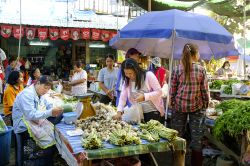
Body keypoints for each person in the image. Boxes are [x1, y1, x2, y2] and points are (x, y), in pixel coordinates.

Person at [170, 43, 209, 166]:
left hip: (179, 106)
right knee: (197, 140)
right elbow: (205, 91)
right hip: (197, 107)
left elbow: (172, 90)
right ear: (195, 54)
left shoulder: (177, 69)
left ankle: (178, 163)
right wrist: (206, 104)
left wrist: (172, 102)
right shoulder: (201, 69)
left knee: (177, 137)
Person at [12, 75, 63, 166]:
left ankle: (47, 159)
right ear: (38, 83)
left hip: (33, 120)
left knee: (58, 117)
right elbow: (31, 115)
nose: (46, 91)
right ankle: (42, 160)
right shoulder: (27, 94)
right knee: (49, 136)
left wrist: (53, 108)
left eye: (48, 89)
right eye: (45, 88)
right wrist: (50, 112)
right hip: (23, 123)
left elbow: (45, 104)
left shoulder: (39, 93)